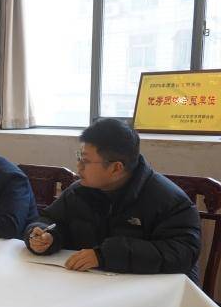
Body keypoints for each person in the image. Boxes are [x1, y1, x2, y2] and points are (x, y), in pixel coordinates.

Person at [24, 118, 201, 279]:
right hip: (90, 285)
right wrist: (45, 236)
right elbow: (49, 220)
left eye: (85, 161)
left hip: (150, 292)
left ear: (116, 168)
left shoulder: (169, 200)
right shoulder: (79, 191)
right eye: (79, 157)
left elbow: (183, 253)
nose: (78, 166)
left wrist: (104, 256)